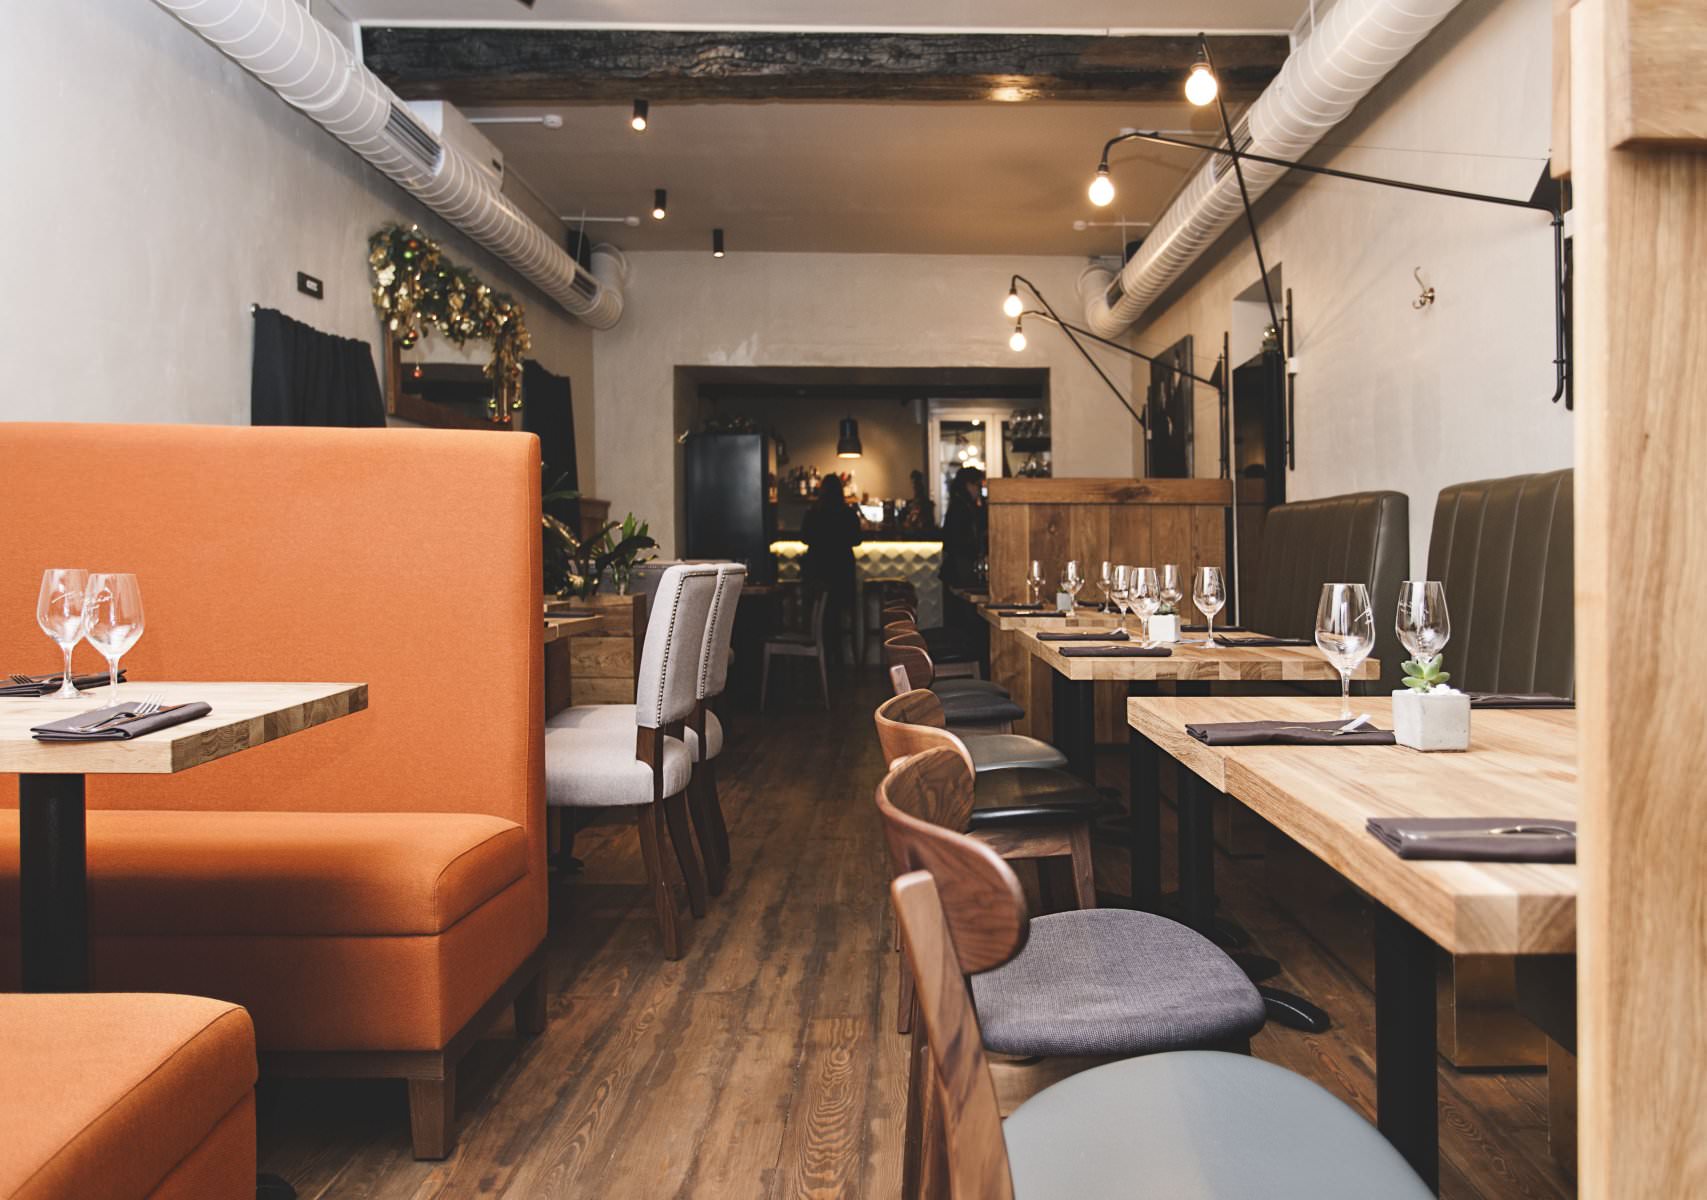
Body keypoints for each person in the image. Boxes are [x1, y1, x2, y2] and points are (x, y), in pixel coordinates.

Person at [800, 473, 861, 668]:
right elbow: (857, 539)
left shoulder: (813, 513)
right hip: (841, 572)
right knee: (836, 613)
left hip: (819, 571)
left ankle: (822, 656)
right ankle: (838, 657)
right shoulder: (848, 513)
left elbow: (804, 538)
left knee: (824, 614)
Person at [939, 465, 987, 589]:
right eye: (978, 485)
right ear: (968, 485)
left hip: (956, 569)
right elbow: (962, 541)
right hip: (960, 569)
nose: (979, 490)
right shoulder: (962, 508)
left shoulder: (960, 504)